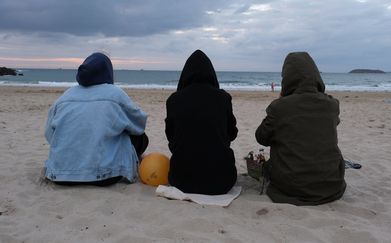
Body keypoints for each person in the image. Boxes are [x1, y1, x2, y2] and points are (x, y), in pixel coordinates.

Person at [255, 52, 346, 205]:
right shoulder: (331, 104)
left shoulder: (280, 107)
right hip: (331, 185)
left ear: (287, 78)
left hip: (290, 187)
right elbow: (331, 124)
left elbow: (261, 137)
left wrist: (282, 101)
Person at [44, 52, 148, 186]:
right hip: (106, 175)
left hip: (59, 175)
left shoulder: (65, 96)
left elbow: (49, 135)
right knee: (140, 137)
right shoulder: (114, 93)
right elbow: (139, 125)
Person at [165, 50, 238, 195]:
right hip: (222, 181)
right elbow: (232, 134)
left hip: (181, 180)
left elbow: (171, 137)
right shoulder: (223, 98)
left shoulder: (174, 100)